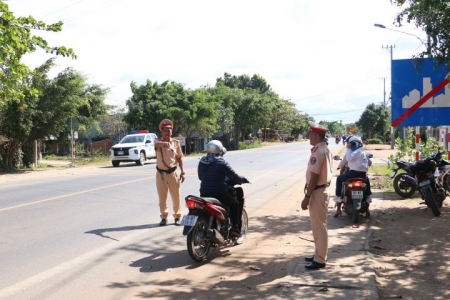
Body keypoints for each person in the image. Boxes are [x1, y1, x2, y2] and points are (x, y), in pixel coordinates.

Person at [198, 140, 248, 237]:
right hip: (219, 194)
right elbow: (234, 176)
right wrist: (243, 180)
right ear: (220, 151)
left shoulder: (202, 161)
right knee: (234, 204)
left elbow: (201, 177)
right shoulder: (221, 162)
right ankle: (234, 228)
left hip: (204, 194)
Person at [301, 121, 333, 270]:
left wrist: (307, 197)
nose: (309, 137)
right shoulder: (324, 149)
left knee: (319, 227)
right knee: (318, 226)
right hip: (320, 191)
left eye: (310, 134)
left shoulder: (318, 152)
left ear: (315, 135)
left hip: (317, 192)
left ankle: (320, 259)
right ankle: (318, 253)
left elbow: (314, 177)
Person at [155, 119, 185, 226]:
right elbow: (156, 145)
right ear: (161, 132)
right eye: (165, 130)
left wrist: (183, 171)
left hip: (173, 173)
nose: (167, 132)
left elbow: (179, 158)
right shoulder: (157, 142)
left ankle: (177, 217)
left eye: (169, 130)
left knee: (176, 197)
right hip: (161, 174)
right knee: (162, 198)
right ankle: (164, 217)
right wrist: (165, 144)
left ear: (172, 131)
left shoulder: (176, 143)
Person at [333, 136, 372, 217]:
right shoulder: (362, 152)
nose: (348, 145)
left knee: (340, 179)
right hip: (363, 175)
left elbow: (347, 159)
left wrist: (348, 148)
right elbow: (369, 162)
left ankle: (338, 198)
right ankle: (368, 198)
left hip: (353, 173)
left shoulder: (352, 151)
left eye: (350, 143)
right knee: (367, 181)